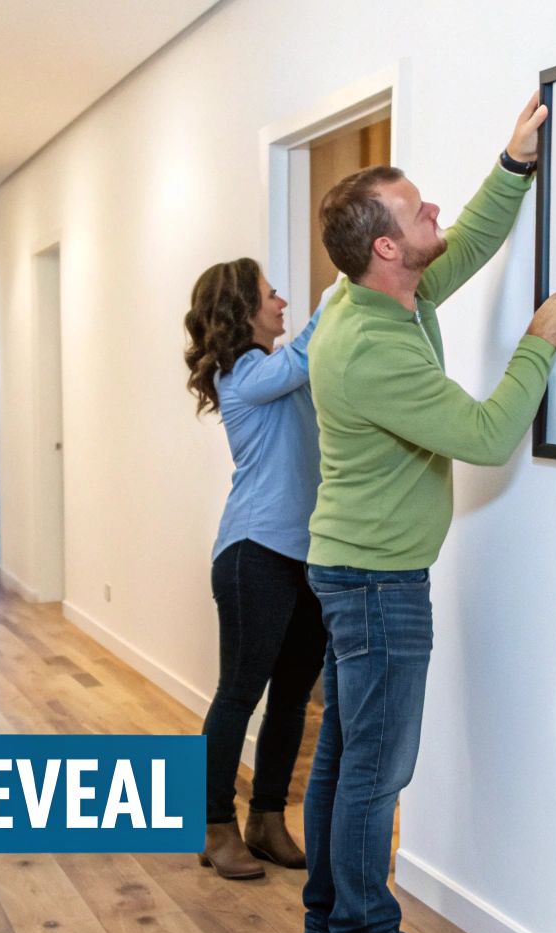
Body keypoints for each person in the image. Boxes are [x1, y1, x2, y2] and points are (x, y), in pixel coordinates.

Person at [296, 93, 556, 933]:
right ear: (384, 248)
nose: (434, 216)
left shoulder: (380, 294)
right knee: (375, 770)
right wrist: (536, 345)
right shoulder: (371, 347)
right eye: (417, 211)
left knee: (345, 756)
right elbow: (492, 434)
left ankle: (326, 929)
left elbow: (462, 247)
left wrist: (517, 164)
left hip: (356, 567)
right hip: (376, 582)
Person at [183, 259, 339, 880]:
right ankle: (214, 825)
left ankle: (268, 819)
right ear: (243, 309)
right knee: (240, 693)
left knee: (293, 698)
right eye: (272, 295)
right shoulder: (242, 373)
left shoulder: (276, 376)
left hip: (305, 555)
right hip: (254, 553)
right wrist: (345, 282)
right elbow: (303, 354)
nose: (282, 303)